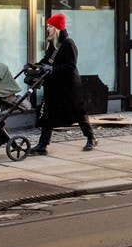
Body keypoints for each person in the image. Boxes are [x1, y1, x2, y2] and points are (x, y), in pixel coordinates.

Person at [34, 13, 95, 154]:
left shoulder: (68, 44)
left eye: (50, 26)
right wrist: (35, 66)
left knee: (79, 113)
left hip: (69, 87)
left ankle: (91, 138)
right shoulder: (53, 43)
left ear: (57, 28)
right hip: (55, 86)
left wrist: (53, 69)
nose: (48, 29)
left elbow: (71, 66)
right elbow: (47, 60)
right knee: (48, 113)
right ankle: (42, 145)